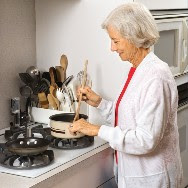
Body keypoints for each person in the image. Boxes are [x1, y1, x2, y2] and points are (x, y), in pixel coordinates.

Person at [69, 2, 183, 188]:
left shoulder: (156, 77)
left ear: (134, 37)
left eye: (116, 41)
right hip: (135, 175)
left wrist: (96, 130)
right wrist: (99, 103)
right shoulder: (137, 70)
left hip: (153, 179)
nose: (112, 48)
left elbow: (145, 139)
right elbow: (131, 116)